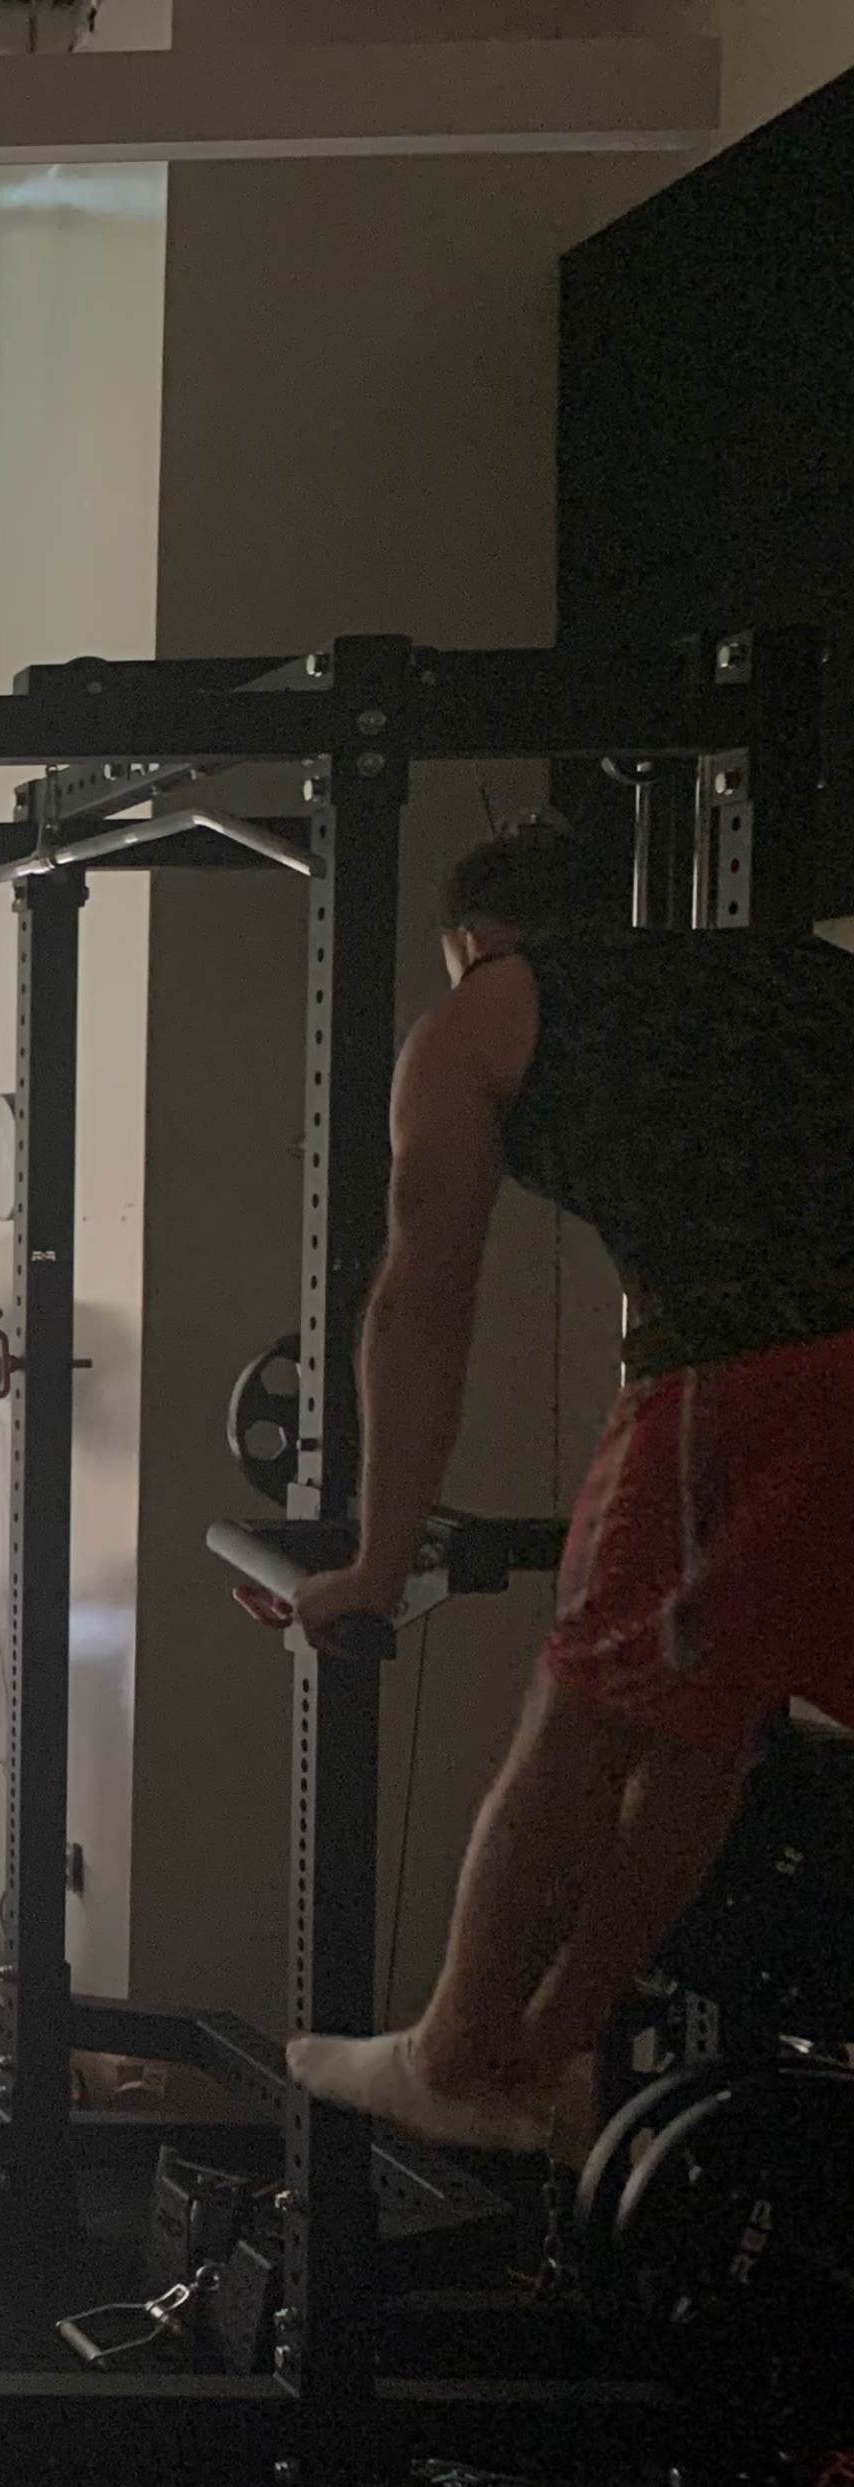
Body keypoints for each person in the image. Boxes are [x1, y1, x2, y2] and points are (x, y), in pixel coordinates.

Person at [284, 820, 854, 2151]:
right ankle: (554, 2046)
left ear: (472, 941)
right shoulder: (792, 971)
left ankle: (461, 2051)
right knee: (711, 1701)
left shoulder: (488, 1012)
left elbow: (422, 1300)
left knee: (591, 1700)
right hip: (792, 1352)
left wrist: (377, 1561)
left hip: (752, 1361)